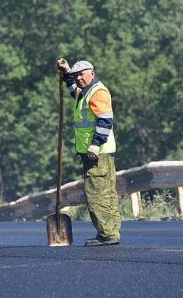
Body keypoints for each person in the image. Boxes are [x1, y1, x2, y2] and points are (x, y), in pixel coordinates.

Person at [57, 58, 121, 246]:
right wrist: (67, 71)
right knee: (107, 193)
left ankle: (107, 234)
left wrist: (95, 144)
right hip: (97, 152)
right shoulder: (83, 92)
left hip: (97, 152)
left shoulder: (97, 92)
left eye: (82, 75)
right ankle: (110, 232)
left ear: (91, 73)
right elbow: (73, 90)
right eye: (76, 76)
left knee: (97, 194)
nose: (79, 79)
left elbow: (105, 120)